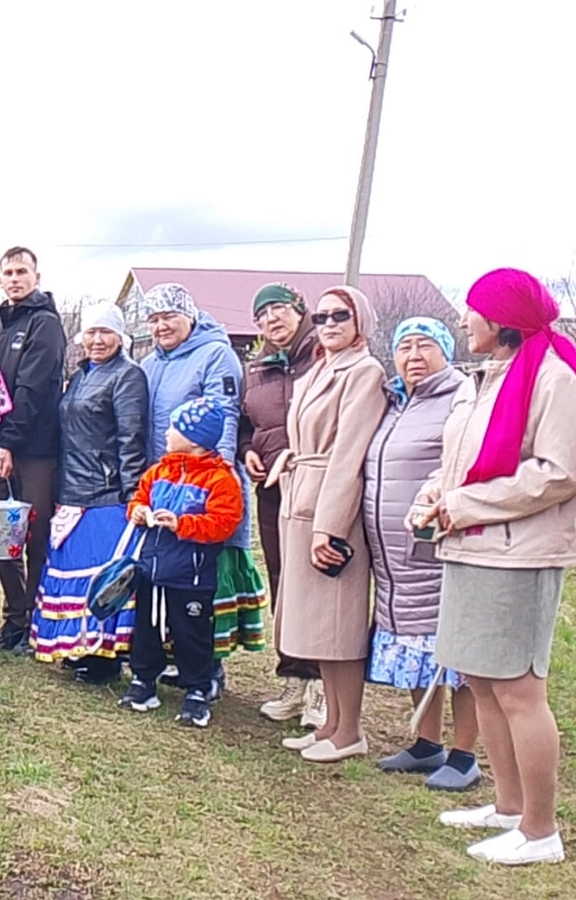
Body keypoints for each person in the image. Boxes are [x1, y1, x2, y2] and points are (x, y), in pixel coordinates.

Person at [417, 268, 576, 866]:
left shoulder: (554, 379)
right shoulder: (489, 379)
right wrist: (433, 495)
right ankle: (508, 808)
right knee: (483, 680)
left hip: (518, 554)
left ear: (499, 321)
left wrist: (462, 504)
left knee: (520, 690)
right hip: (473, 545)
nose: (463, 319)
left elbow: (558, 472)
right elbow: (463, 464)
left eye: (472, 310)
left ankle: (541, 831)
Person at [363, 317, 480, 791]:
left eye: (425, 345)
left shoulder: (460, 398)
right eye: (405, 346)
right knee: (416, 647)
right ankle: (426, 744)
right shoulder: (395, 401)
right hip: (392, 553)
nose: (414, 355)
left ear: (446, 350)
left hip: (437, 546)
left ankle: (466, 753)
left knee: (457, 653)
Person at [271, 286, 386, 762]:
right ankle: (332, 724)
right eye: (321, 316)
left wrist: (330, 525)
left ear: (361, 320)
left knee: (338, 621)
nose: (330, 323)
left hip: (330, 504)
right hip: (299, 493)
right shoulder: (320, 367)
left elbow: (348, 454)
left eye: (341, 314)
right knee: (316, 623)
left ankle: (349, 729)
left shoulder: (365, 372)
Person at [136, 283, 265, 699]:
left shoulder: (215, 354)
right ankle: (182, 660)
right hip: (165, 484)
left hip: (203, 485)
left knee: (203, 580)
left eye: (168, 317)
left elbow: (224, 411)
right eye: (153, 320)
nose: (161, 326)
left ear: (189, 316)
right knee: (168, 579)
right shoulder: (152, 363)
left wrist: (218, 471)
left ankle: (210, 667)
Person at [30, 302, 148, 681]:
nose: (97, 340)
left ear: (120, 336)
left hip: (106, 493)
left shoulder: (127, 376)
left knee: (103, 577)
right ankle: (78, 645)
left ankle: (104, 657)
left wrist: (133, 493)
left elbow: (132, 438)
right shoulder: (80, 375)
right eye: (91, 333)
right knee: (73, 572)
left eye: (105, 332)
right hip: (72, 489)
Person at [120, 397, 244, 727]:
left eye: (173, 428)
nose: (166, 433)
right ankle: (143, 680)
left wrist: (181, 525)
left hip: (191, 577)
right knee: (145, 628)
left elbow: (223, 523)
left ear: (194, 439)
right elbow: (137, 500)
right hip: (151, 570)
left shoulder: (220, 480)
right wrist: (140, 513)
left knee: (191, 633)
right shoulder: (158, 471)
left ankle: (198, 689)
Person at [239, 283, 326, 727]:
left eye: (277, 310)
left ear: (299, 309)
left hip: (319, 483)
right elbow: (244, 423)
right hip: (272, 487)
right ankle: (293, 675)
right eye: (261, 315)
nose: (271, 320)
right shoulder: (257, 367)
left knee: (322, 584)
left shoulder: (324, 355)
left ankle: (323, 686)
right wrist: (246, 451)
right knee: (282, 578)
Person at [0, 247, 66, 652]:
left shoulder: (44, 324)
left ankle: (35, 620)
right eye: (8, 272)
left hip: (33, 449)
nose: (15, 278)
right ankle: (14, 617)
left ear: (36, 276)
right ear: (0, 279)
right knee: (1, 535)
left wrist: (10, 443)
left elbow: (31, 389)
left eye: (22, 272)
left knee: (33, 535)